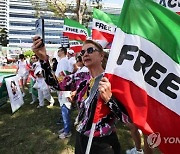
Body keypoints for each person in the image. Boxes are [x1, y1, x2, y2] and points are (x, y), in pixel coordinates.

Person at [32, 37, 129, 154]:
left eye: (90, 50)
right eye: (82, 52)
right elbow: (55, 84)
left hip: (104, 142)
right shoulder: (81, 77)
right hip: (81, 137)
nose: (85, 54)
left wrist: (109, 99)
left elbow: (126, 118)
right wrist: (43, 59)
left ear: (101, 56)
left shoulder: (112, 81)